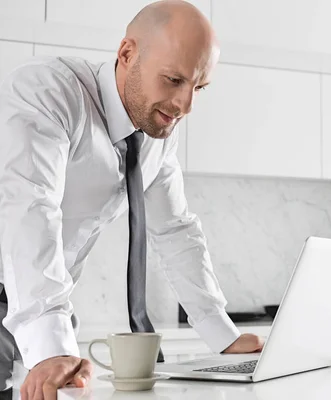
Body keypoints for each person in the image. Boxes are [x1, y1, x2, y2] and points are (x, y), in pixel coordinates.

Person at [0, 1, 264, 399]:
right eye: (174, 79)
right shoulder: (49, 91)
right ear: (126, 54)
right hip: (31, 296)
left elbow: (176, 230)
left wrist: (221, 334)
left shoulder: (155, 132)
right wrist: (49, 343)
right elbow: (29, 207)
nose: (185, 106)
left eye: (198, 87)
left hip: (48, 302)